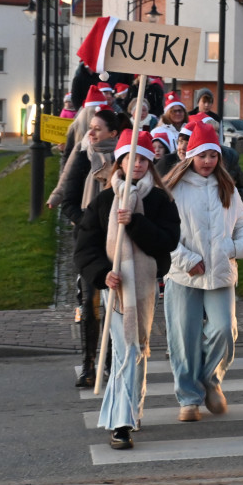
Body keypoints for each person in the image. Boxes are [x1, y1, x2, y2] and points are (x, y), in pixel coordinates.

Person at [74, 130, 180, 450]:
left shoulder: (161, 200)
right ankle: (120, 423)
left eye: (144, 159)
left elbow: (168, 242)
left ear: (151, 163)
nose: (137, 164)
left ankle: (132, 408)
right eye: (130, 158)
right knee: (126, 351)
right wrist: (102, 274)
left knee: (137, 349)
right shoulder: (103, 200)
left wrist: (134, 222)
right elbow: (84, 248)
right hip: (116, 289)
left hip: (146, 286)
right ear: (119, 161)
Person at [163, 122, 243, 422]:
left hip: (220, 273)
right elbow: (163, 232)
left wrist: (231, 249)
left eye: (212, 156)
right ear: (190, 156)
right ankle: (189, 398)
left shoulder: (226, 186)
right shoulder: (173, 188)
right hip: (183, 275)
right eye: (201, 155)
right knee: (184, 338)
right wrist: (186, 259)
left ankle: (210, 379)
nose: (207, 162)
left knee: (224, 331)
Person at [58, 107, 122, 388]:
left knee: (113, 305)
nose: (91, 133)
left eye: (97, 128)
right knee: (90, 303)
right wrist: (90, 225)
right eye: (90, 128)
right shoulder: (83, 157)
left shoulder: (123, 159)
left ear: (113, 133)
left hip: (119, 241)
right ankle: (88, 365)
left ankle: (110, 362)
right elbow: (69, 201)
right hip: (88, 243)